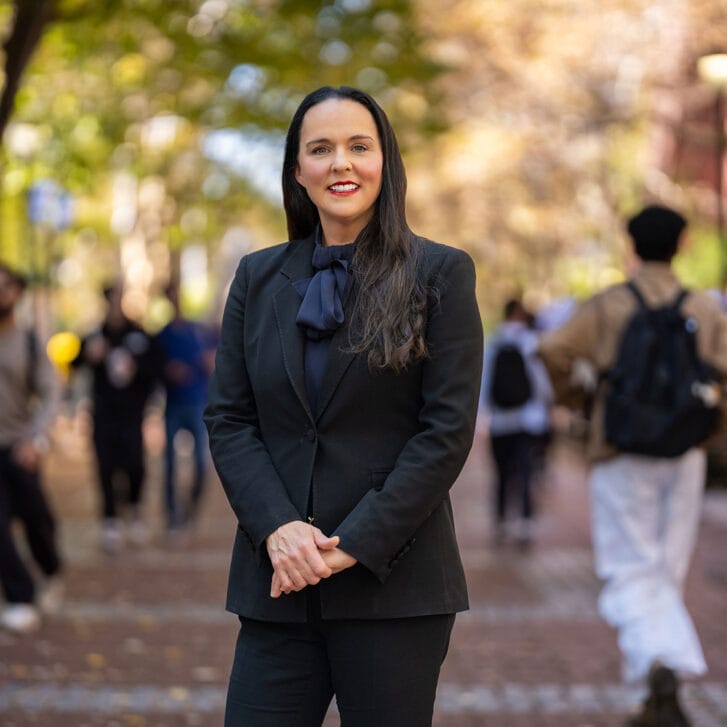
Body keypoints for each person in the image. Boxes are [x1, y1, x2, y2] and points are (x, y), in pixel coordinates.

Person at [204, 86, 483, 727]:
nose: (341, 164)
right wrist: (277, 527)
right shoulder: (256, 277)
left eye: (359, 147)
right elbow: (230, 418)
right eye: (320, 149)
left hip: (395, 586)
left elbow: (445, 432)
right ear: (297, 170)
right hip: (279, 583)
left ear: (385, 162)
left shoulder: (440, 274)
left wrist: (352, 542)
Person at [539, 204, 727, 727]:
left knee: (628, 565)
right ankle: (658, 686)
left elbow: (552, 348)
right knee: (668, 566)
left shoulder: (608, 305)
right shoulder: (705, 307)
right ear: (683, 243)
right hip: (684, 452)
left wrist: (580, 399)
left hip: (619, 449)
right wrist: (712, 423)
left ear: (631, 244)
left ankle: (660, 666)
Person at [71, 283, 160, 554]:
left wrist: (138, 370)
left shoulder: (138, 334)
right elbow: (74, 364)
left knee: (135, 464)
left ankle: (133, 507)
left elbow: (155, 367)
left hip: (132, 415)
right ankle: (110, 519)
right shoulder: (95, 335)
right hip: (104, 415)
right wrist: (88, 356)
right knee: (105, 467)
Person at [0, 261, 63, 633]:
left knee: (37, 519)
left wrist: (38, 437)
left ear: (17, 293)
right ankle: (21, 596)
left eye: (6, 286)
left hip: (20, 448)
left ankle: (51, 568)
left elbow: (51, 391)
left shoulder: (27, 341)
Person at [480, 298, 552, 546]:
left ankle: (500, 521)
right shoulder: (529, 341)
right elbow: (541, 380)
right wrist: (546, 406)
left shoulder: (493, 342)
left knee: (501, 473)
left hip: (500, 421)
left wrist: (482, 416)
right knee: (524, 471)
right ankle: (524, 524)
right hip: (528, 419)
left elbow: (485, 380)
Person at [155, 283, 216, 533]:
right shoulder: (162, 336)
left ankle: (191, 509)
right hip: (173, 406)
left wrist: (209, 362)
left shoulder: (199, 331)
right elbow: (155, 367)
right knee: (170, 464)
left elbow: (217, 359)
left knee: (202, 464)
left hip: (198, 405)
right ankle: (172, 515)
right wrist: (168, 371)